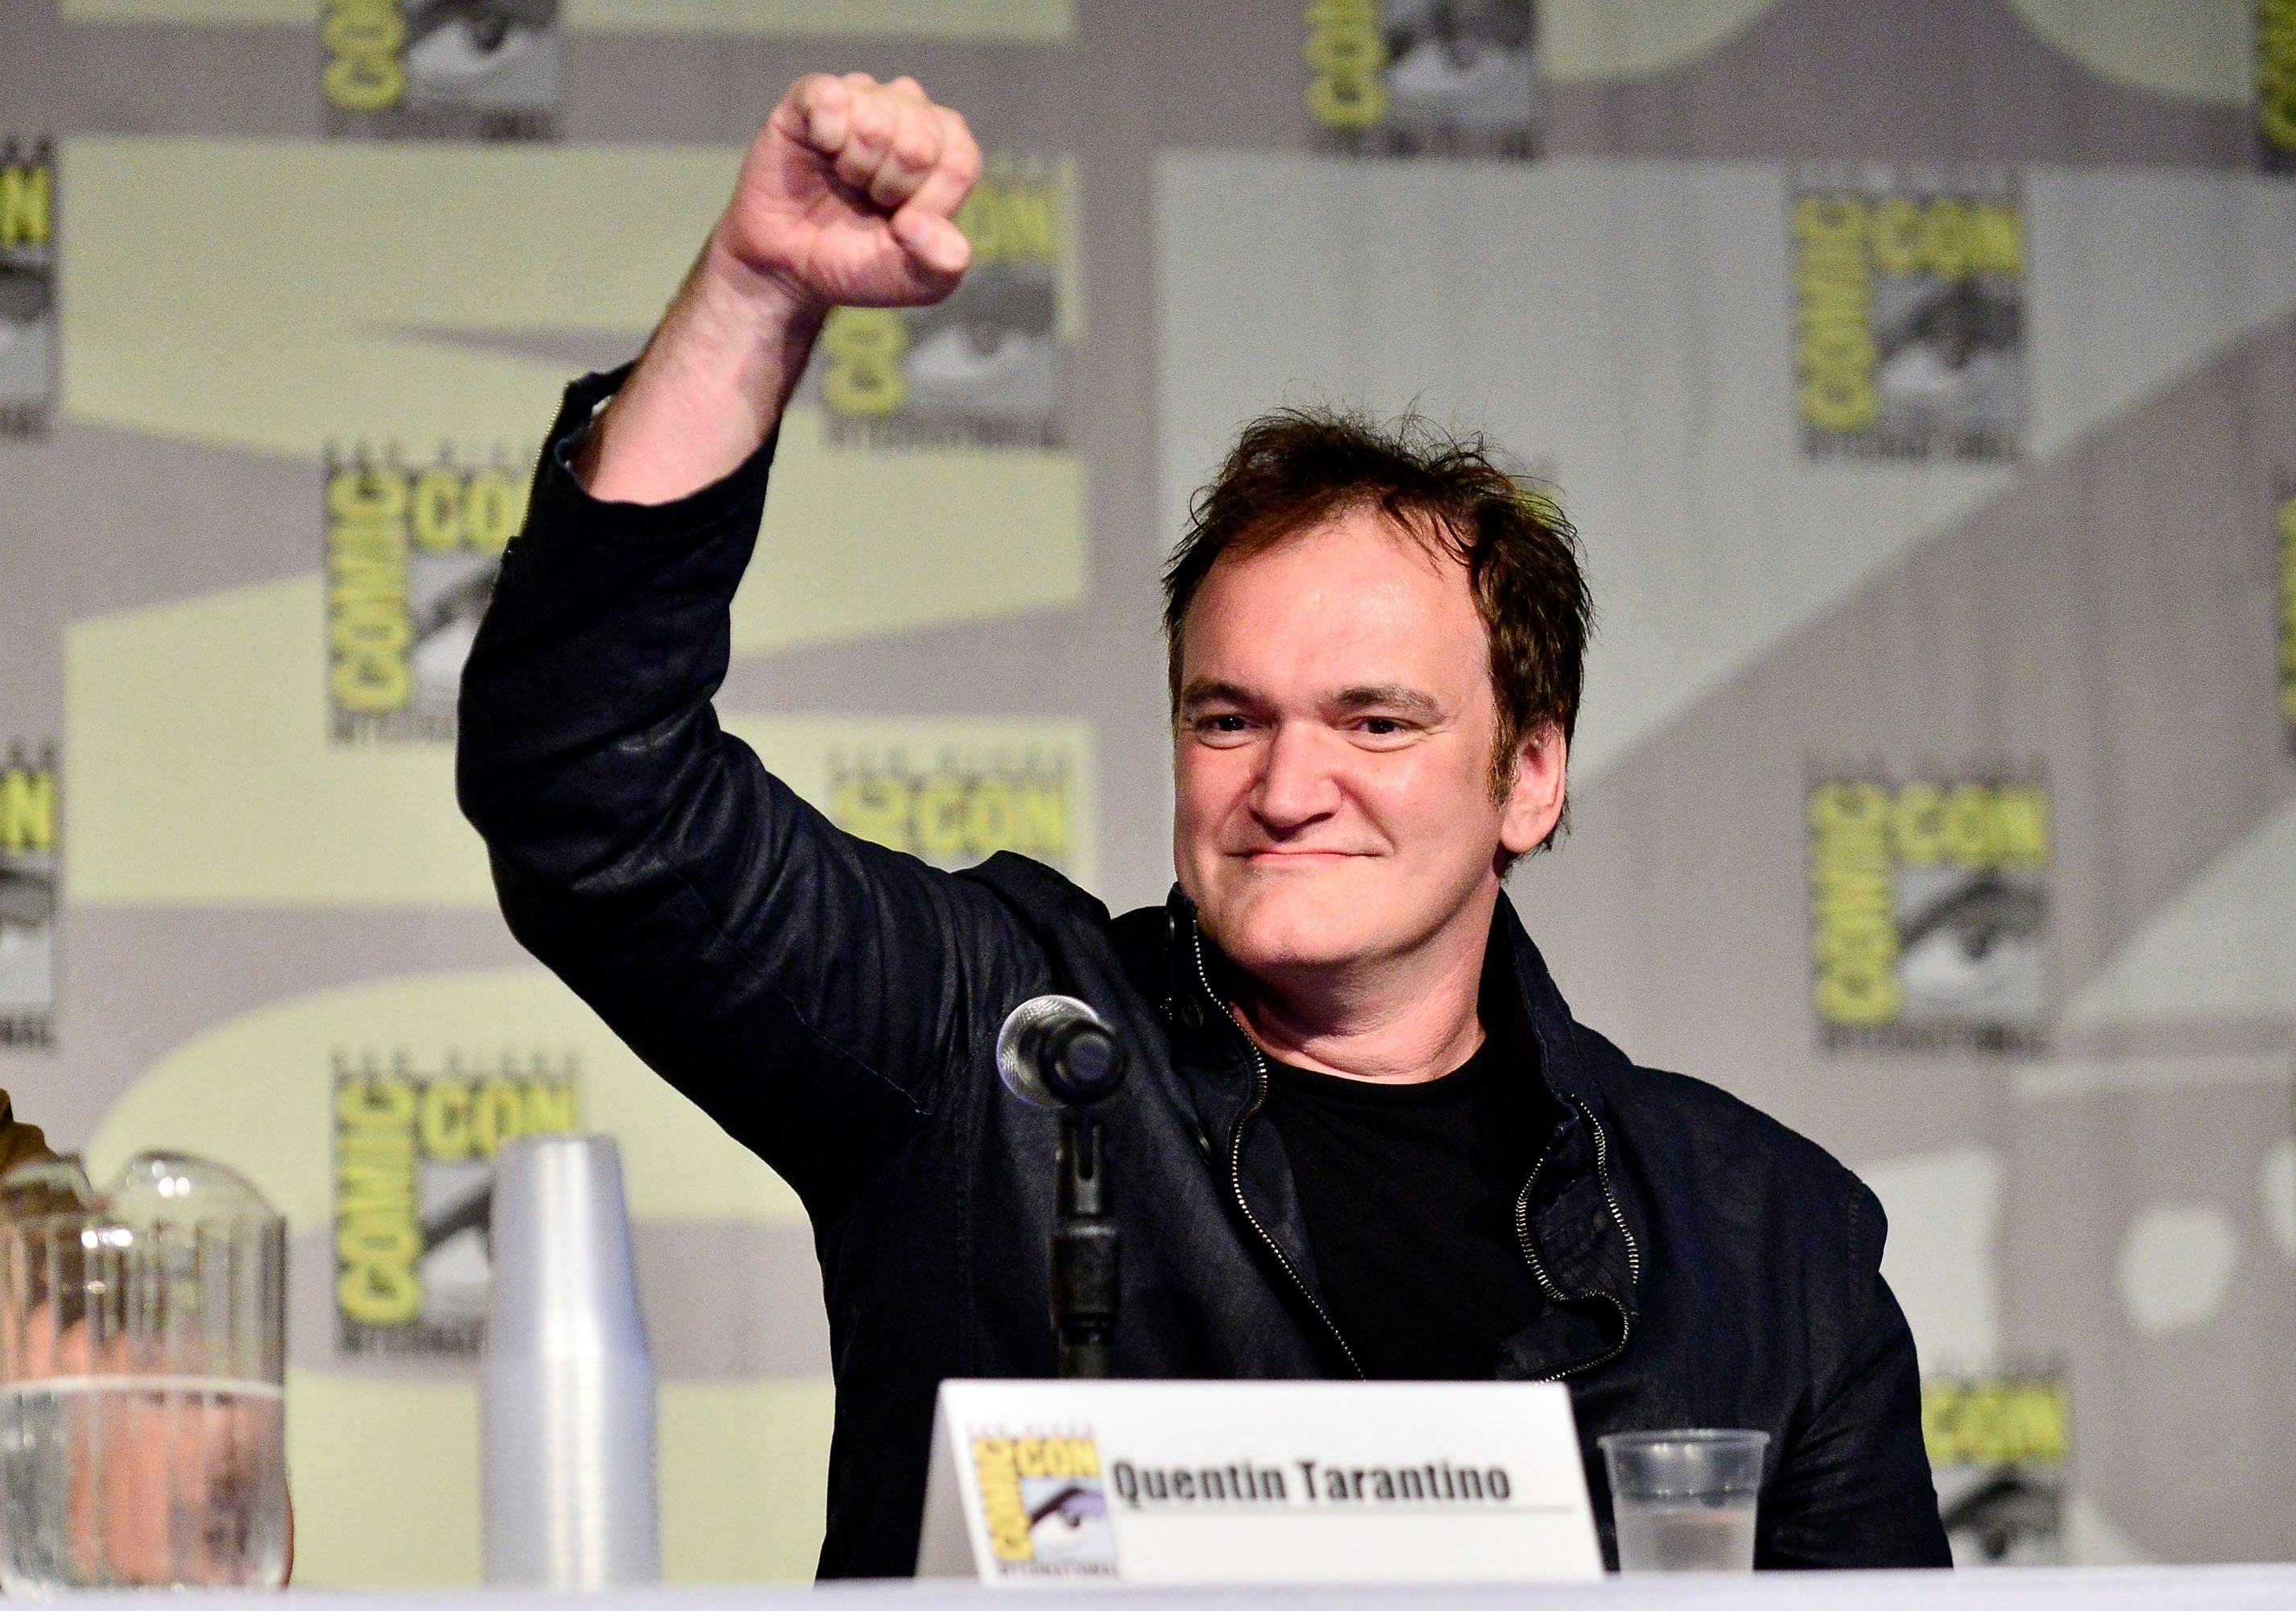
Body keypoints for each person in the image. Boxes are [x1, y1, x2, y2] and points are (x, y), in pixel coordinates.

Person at [455, 72, 1951, 1576]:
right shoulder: (991, 1047)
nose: (1287, 790)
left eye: (1377, 723)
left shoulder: (1767, 1242)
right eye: (1230, 720)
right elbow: (592, 792)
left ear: (1531, 776)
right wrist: (753, 296)